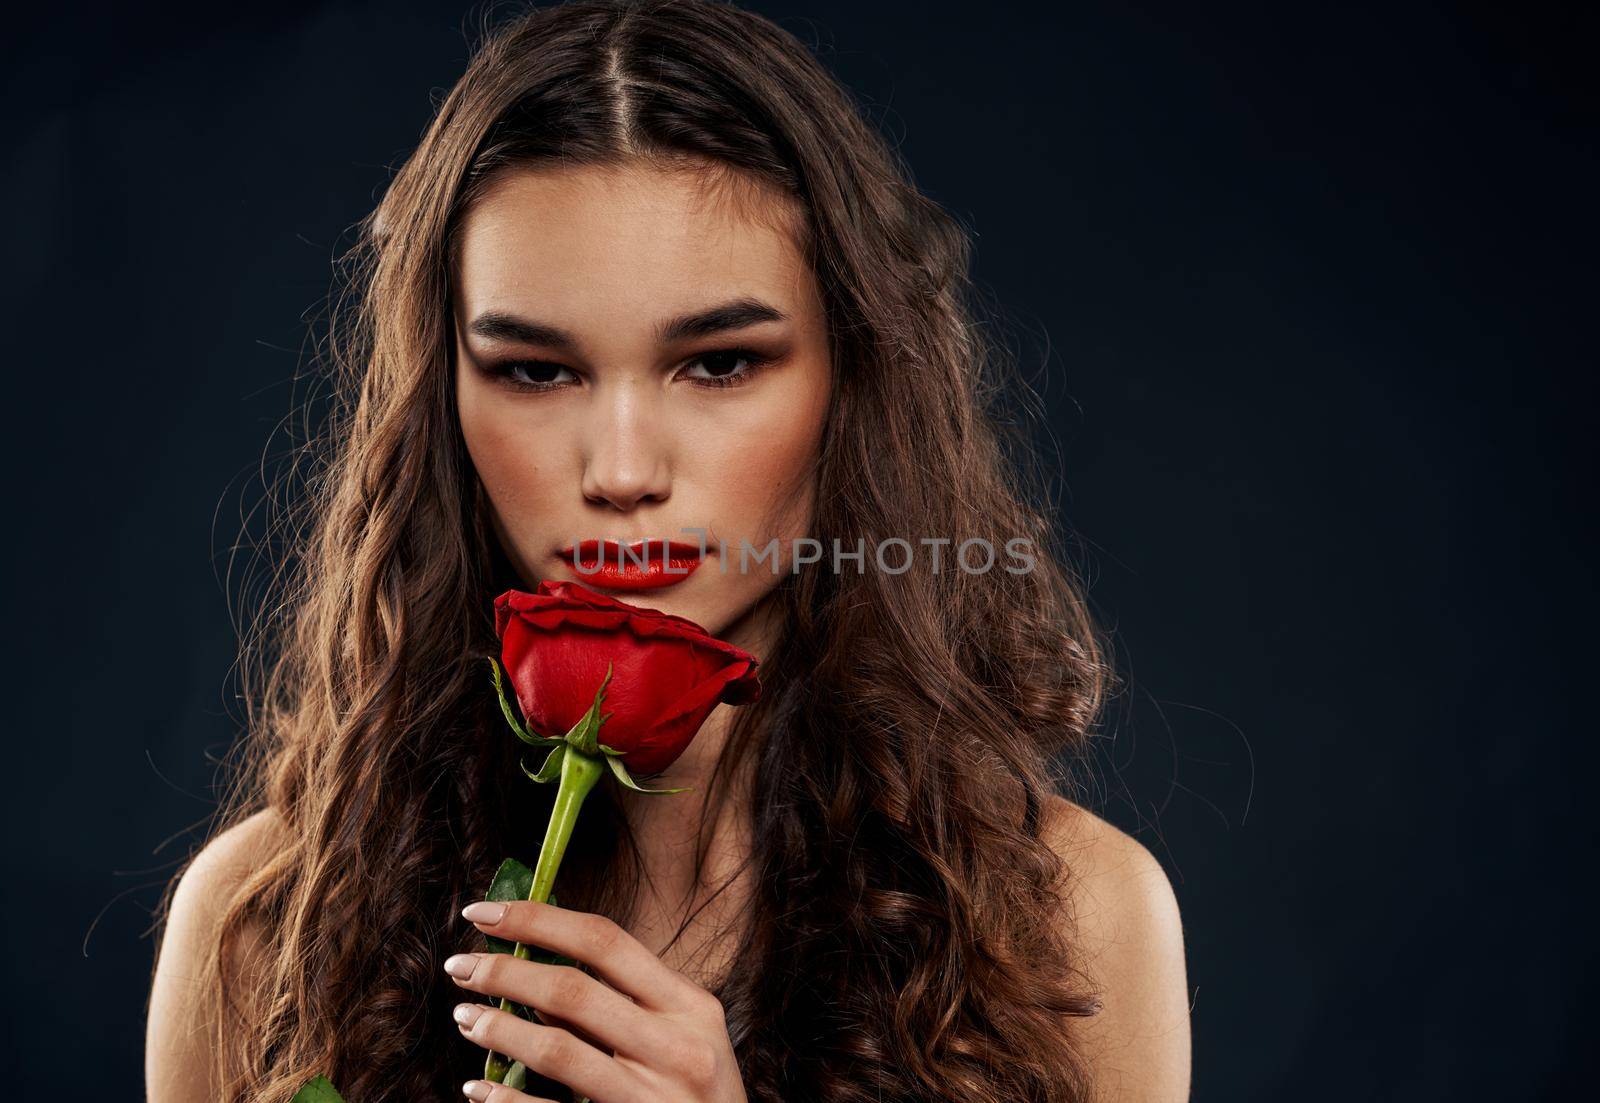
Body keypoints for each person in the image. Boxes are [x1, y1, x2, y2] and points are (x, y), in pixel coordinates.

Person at [144, 2, 1190, 1100]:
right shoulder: (265, 925)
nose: (622, 467)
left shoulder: (1068, 921)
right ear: (444, 396)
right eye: (536, 371)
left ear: (855, 379)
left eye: (720, 363)